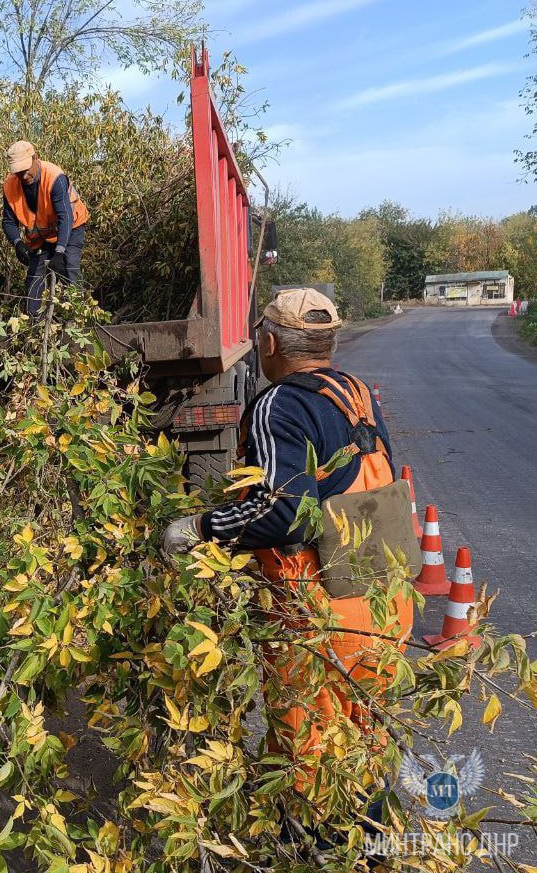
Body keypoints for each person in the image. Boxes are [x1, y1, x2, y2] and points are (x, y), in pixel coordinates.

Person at [161, 288, 414, 788]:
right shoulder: (354, 393)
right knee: (366, 751)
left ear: (271, 344)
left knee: (309, 761)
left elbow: (285, 513)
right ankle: (368, 852)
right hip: (384, 604)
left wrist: (199, 528)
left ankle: (317, 850)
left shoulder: (278, 405)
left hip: (320, 615)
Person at [1, 140, 89, 316]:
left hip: (70, 228)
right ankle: (35, 325)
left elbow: (65, 217)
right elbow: (8, 222)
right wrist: (18, 243)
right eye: (18, 173)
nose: (23, 176)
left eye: (26, 170)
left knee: (69, 270)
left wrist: (59, 252)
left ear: (35, 158)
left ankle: (74, 321)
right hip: (41, 237)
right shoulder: (10, 186)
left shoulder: (54, 177)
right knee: (34, 280)